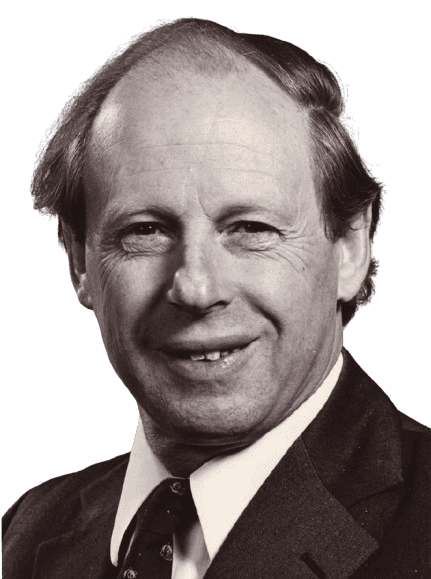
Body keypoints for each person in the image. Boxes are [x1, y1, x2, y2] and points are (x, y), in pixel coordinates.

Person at [2, 17, 430, 579]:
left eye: (251, 228)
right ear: (79, 260)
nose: (197, 289)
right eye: (146, 231)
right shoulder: (25, 534)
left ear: (350, 246)